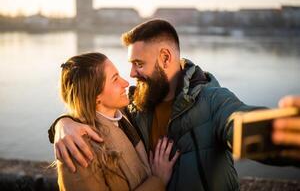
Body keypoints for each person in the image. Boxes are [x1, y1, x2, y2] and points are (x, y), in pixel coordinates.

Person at [48, 20, 300, 191]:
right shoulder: (135, 105)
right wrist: (64, 123)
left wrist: (282, 133)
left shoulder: (213, 100)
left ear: (165, 57)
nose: (131, 74)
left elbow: (239, 121)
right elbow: (93, 111)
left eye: (138, 63)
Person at [55, 52, 179, 191]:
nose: (125, 83)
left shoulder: (124, 115)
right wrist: (158, 180)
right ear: (95, 96)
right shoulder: (78, 149)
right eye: (115, 79)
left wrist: (62, 122)